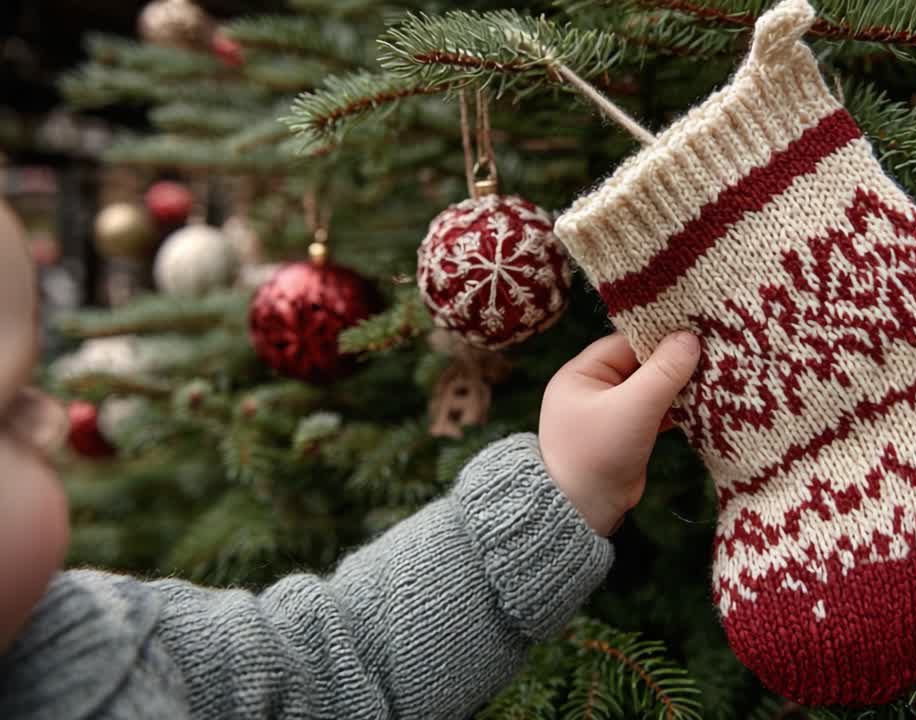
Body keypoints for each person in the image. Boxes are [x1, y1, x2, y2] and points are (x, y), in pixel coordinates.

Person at [0, 227, 703, 719]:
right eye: (7, 414)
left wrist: (567, 484)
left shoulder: (96, 638)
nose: (51, 422)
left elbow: (339, 664)